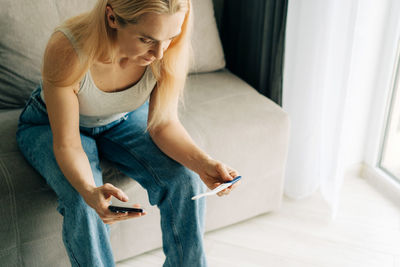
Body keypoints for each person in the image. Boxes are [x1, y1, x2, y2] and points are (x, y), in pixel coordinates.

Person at [15, 0, 241, 266]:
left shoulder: (168, 50)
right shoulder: (68, 48)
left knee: (185, 178)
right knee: (82, 201)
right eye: (146, 39)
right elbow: (68, 145)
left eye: (169, 37)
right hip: (50, 124)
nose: (159, 52)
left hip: (120, 118)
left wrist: (204, 163)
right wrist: (89, 189)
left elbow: (162, 124)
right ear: (112, 17)